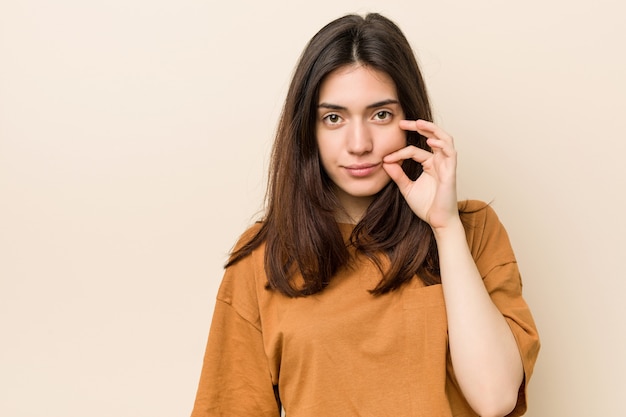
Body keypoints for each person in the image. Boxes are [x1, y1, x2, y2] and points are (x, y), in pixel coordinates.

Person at [190, 12, 540, 417]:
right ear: (309, 130)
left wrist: (444, 227)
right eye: (334, 118)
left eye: (381, 115)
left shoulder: (472, 231)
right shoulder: (264, 257)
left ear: (412, 120)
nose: (359, 144)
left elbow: (495, 398)